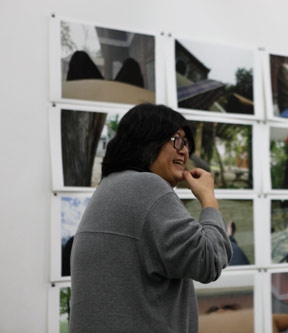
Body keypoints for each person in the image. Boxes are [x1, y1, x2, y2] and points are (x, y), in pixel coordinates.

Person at [69, 103, 232, 332]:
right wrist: (208, 198)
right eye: (176, 140)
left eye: (186, 144)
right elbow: (208, 260)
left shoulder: (109, 187)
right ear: (147, 139)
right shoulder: (148, 187)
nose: (184, 151)